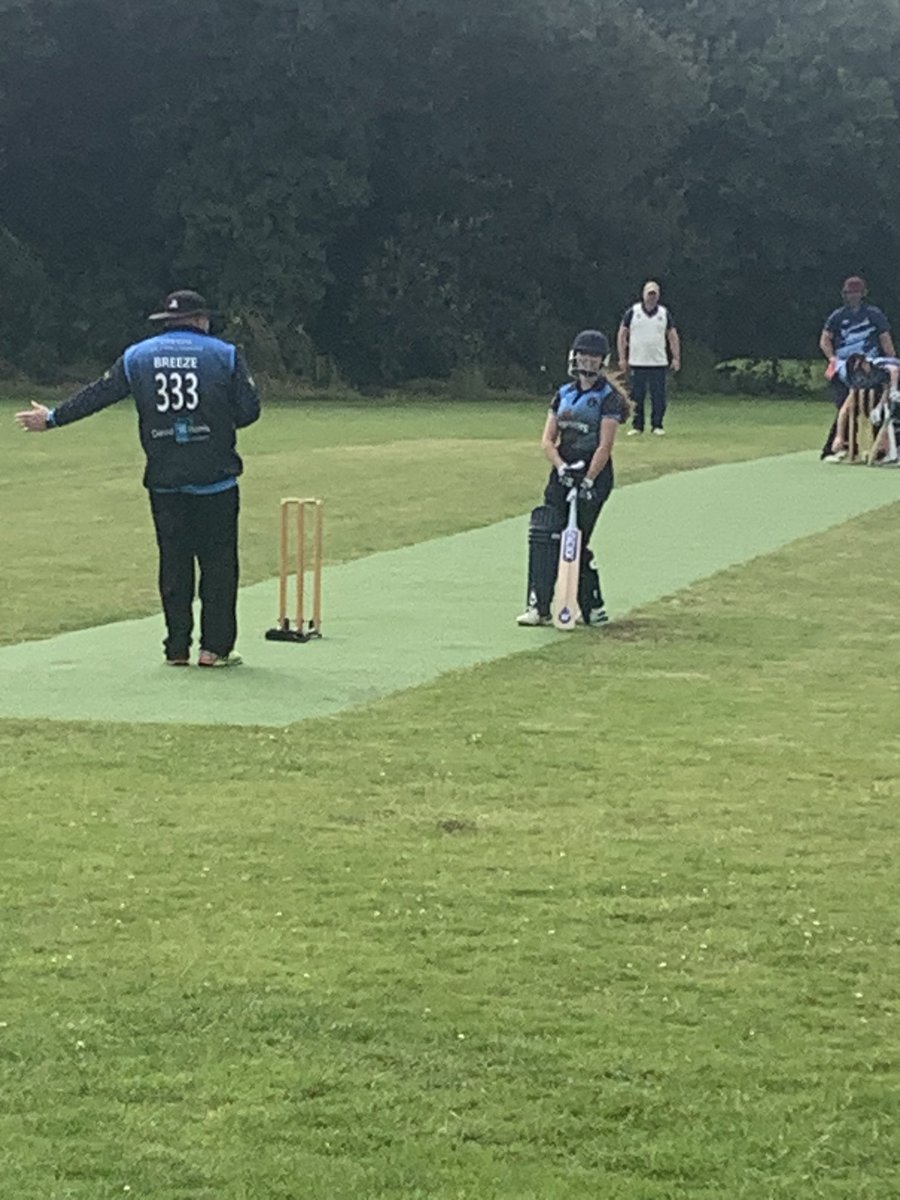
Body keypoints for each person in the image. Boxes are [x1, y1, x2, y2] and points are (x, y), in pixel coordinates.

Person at [15, 289, 261, 667]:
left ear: (167, 320)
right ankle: (214, 649)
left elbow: (99, 393)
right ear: (200, 320)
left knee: (174, 561)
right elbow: (248, 412)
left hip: (164, 476)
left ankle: (177, 648)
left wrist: (52, 418)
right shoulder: (224, 354)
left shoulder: (138, 356)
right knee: (219, 563)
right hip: (215, 476)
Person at [517, 329, 630, 627]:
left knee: (576, 540)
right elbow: (547, 440)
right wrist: (561, 467)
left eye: (593, 356)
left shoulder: (607, 398)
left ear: (602, 360)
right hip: (563, 472)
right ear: (574, 356)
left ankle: (592, 606)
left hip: (594, 475)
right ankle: (538, 606)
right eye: (583, 354)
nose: (587, 360)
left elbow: (605, 446)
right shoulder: (564, 393)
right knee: (544, 533)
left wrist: (588, 480)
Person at [818, 276, 895, 459]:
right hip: (846, 366)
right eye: (849, 293)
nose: (852, 296)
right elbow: (824, 339)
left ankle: (882, 450)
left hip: (871, 366)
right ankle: (841, 448)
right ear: (844, 294)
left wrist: (890, 362)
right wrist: (832, 359)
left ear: (863, 293)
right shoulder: (838, 316)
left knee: (877, 408)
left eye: (856, 293)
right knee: (845, 406)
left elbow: (886, 341)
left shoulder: (874, 314)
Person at [617, 280, 680, 436]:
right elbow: (622, 334)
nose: (651, 297)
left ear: (658, 295)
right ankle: (637, 426)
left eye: (654, 294)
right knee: (636, 396)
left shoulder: (664, 313)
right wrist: (622, 358)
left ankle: (657, 425)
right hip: (637, 361)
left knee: (658, 396)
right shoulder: (633, 312)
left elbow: (672, 336)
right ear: (643, 294)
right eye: (649, 293)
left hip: (658, 362)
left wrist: (676, 357)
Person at [827, 352, 900, 463]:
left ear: (865, 362)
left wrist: (894, 389)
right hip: (888, 386)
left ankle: (892, 451)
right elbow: (845, 409)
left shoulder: (877, 363)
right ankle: (850, 450)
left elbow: (894, 370)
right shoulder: (855, 376)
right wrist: (839, 436)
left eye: (860, 367)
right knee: (886, 417)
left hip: (896, 378)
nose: (860, 372)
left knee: (893, 418)